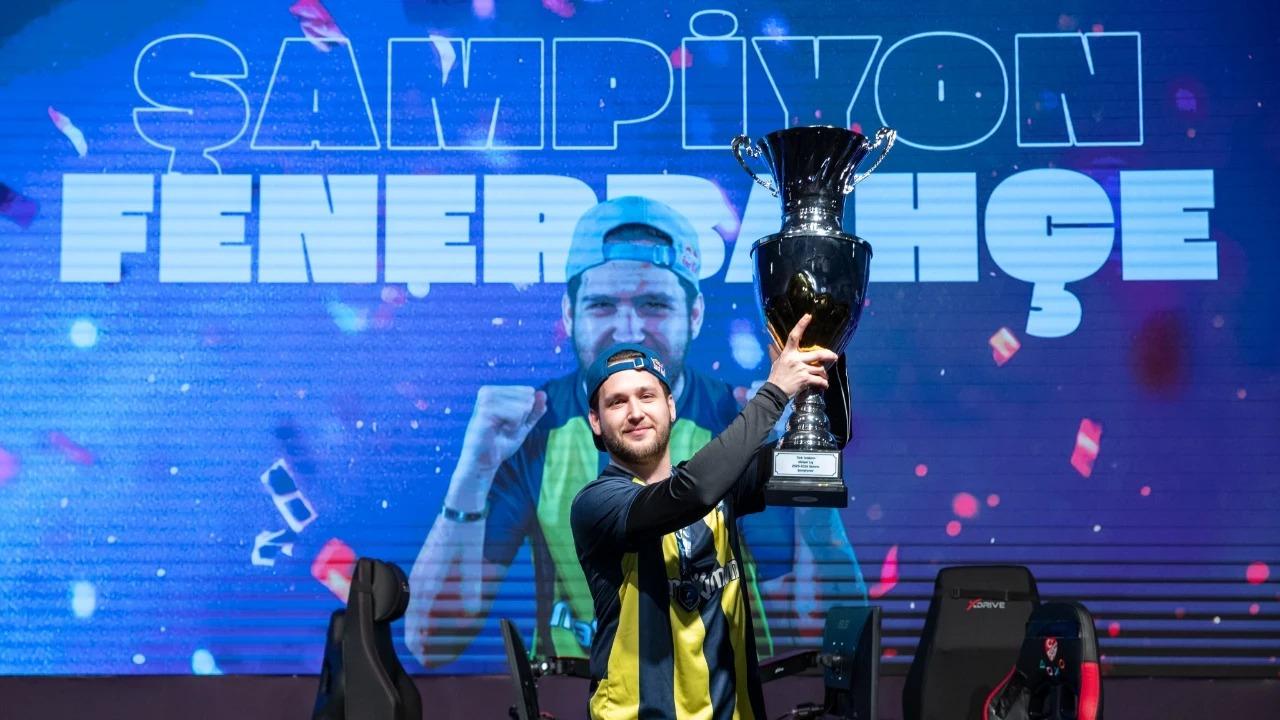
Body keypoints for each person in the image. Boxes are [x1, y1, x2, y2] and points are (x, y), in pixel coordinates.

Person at [406, 196, 865, 667]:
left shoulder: (739, 424)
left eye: (653, 304)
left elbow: (824, 630)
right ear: (569, 314)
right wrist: (474, 469)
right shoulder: (536, 439)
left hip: (726, 699)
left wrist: (807, 465)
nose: (629, 329)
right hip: (602, 696)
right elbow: (429, 639)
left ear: (694, 314)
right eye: (602, 305)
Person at [571, 316, 835, 719]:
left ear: (671, 405)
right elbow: (690, 494)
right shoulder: (597, 504)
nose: (635, 412)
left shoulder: (722, 486)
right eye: (617, 402)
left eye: (647, 395)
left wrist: (823, 364)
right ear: (596, 421)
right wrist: (775, 392)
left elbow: (822, 451)